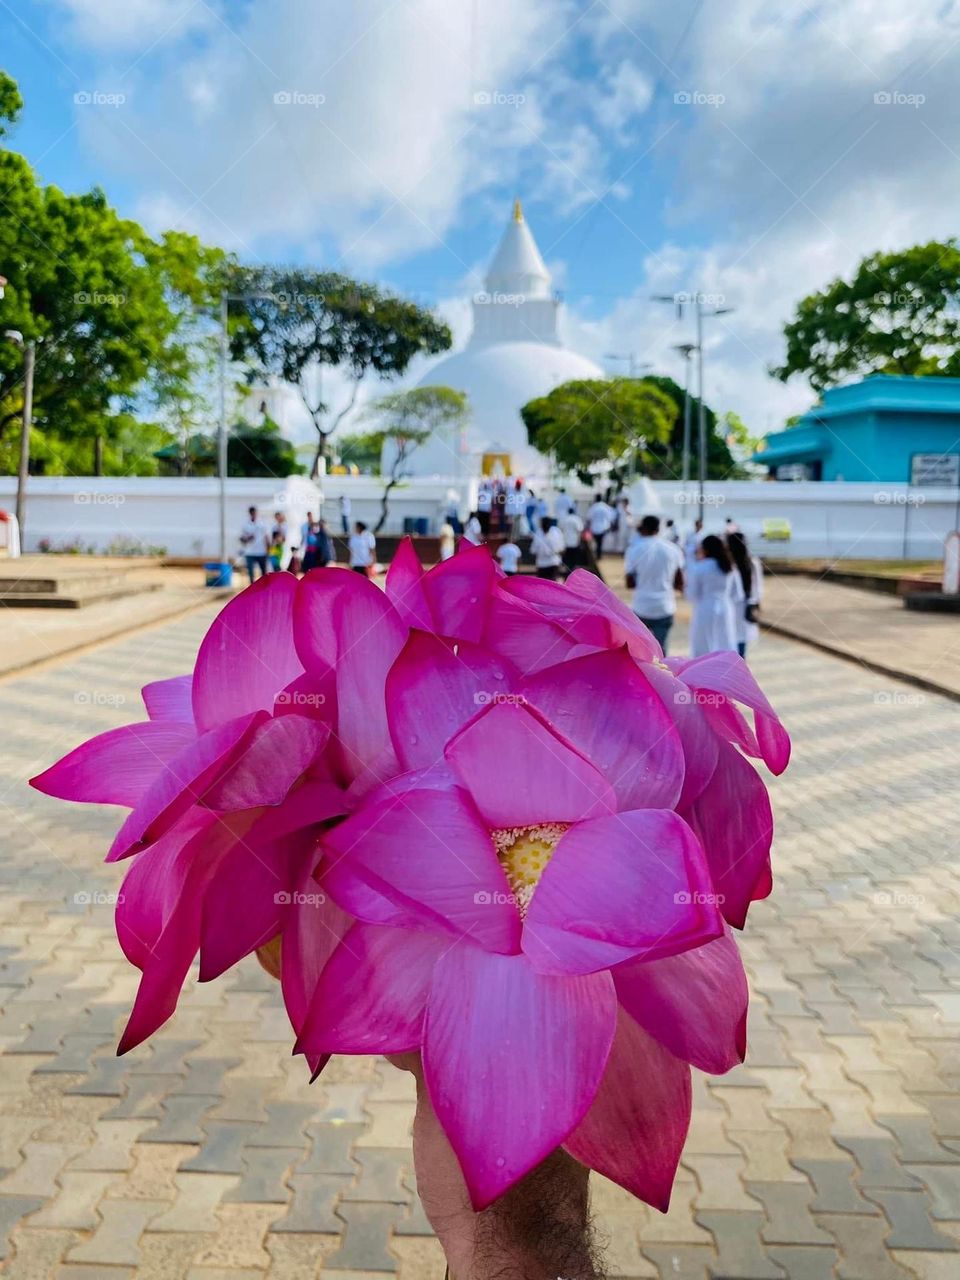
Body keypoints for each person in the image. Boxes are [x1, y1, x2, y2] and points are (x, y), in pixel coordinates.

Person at [624, 514, 685, 654]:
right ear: (659, 529)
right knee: (661, 652)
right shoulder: (673, 549)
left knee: (639, 652)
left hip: (641, 605)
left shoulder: (634, 550)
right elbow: (680, 582)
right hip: (665, 606)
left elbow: (629, 583)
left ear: (643, 529)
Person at [687, 533, 741, 657]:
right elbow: (737, 594)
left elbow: (692, 594)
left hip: (705, 607)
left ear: (705, 549)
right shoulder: (729, 568)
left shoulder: (700, 567)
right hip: (726, 607)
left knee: (703, 646)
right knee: (725, 643)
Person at [727, 529, 763, 658]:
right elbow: (758, 586)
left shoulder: (729, 564)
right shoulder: (752, 562)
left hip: (732, 606)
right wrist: (757, 602)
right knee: (741, 640)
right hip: (746, 604)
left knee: (730, 640)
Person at [239, 505, 270, 584]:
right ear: (250, 513)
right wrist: (248, 538)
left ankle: (264, 587)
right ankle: (252, 589)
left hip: (261, 551)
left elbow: (266, 537)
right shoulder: (245, 525)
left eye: (255, 513)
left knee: (264, 572)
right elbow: (242, 539)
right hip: (250, 552)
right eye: (252, 513)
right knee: (251, 573)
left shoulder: (262, 524)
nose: (254, 514)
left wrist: (268, 550)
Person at [531, 516, 564, 580]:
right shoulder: (538, 532)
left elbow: (561, 548)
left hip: (553, 562)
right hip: (541, 564)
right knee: (542, 584)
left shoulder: (556, 532)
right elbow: (533, 550)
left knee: (552, 583)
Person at [559, 506, 585, 575]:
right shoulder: (577, 519)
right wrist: (580, 541)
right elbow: (580, 530)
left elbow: (561, 529)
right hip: (574, 541)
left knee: (567, 557)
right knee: (573, 557)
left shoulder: (564, 519)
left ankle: (567, 570)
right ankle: (572, 570)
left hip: (566, 541)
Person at [587, 493, 614, 558]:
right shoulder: (605, 507)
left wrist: (588, 526)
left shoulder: (593, 507)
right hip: (603, 527)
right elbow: (610, 517)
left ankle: (597, 554)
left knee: (596, 542)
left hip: (595, 527)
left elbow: (589, 518)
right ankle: (599, 554)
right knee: (600, 542)